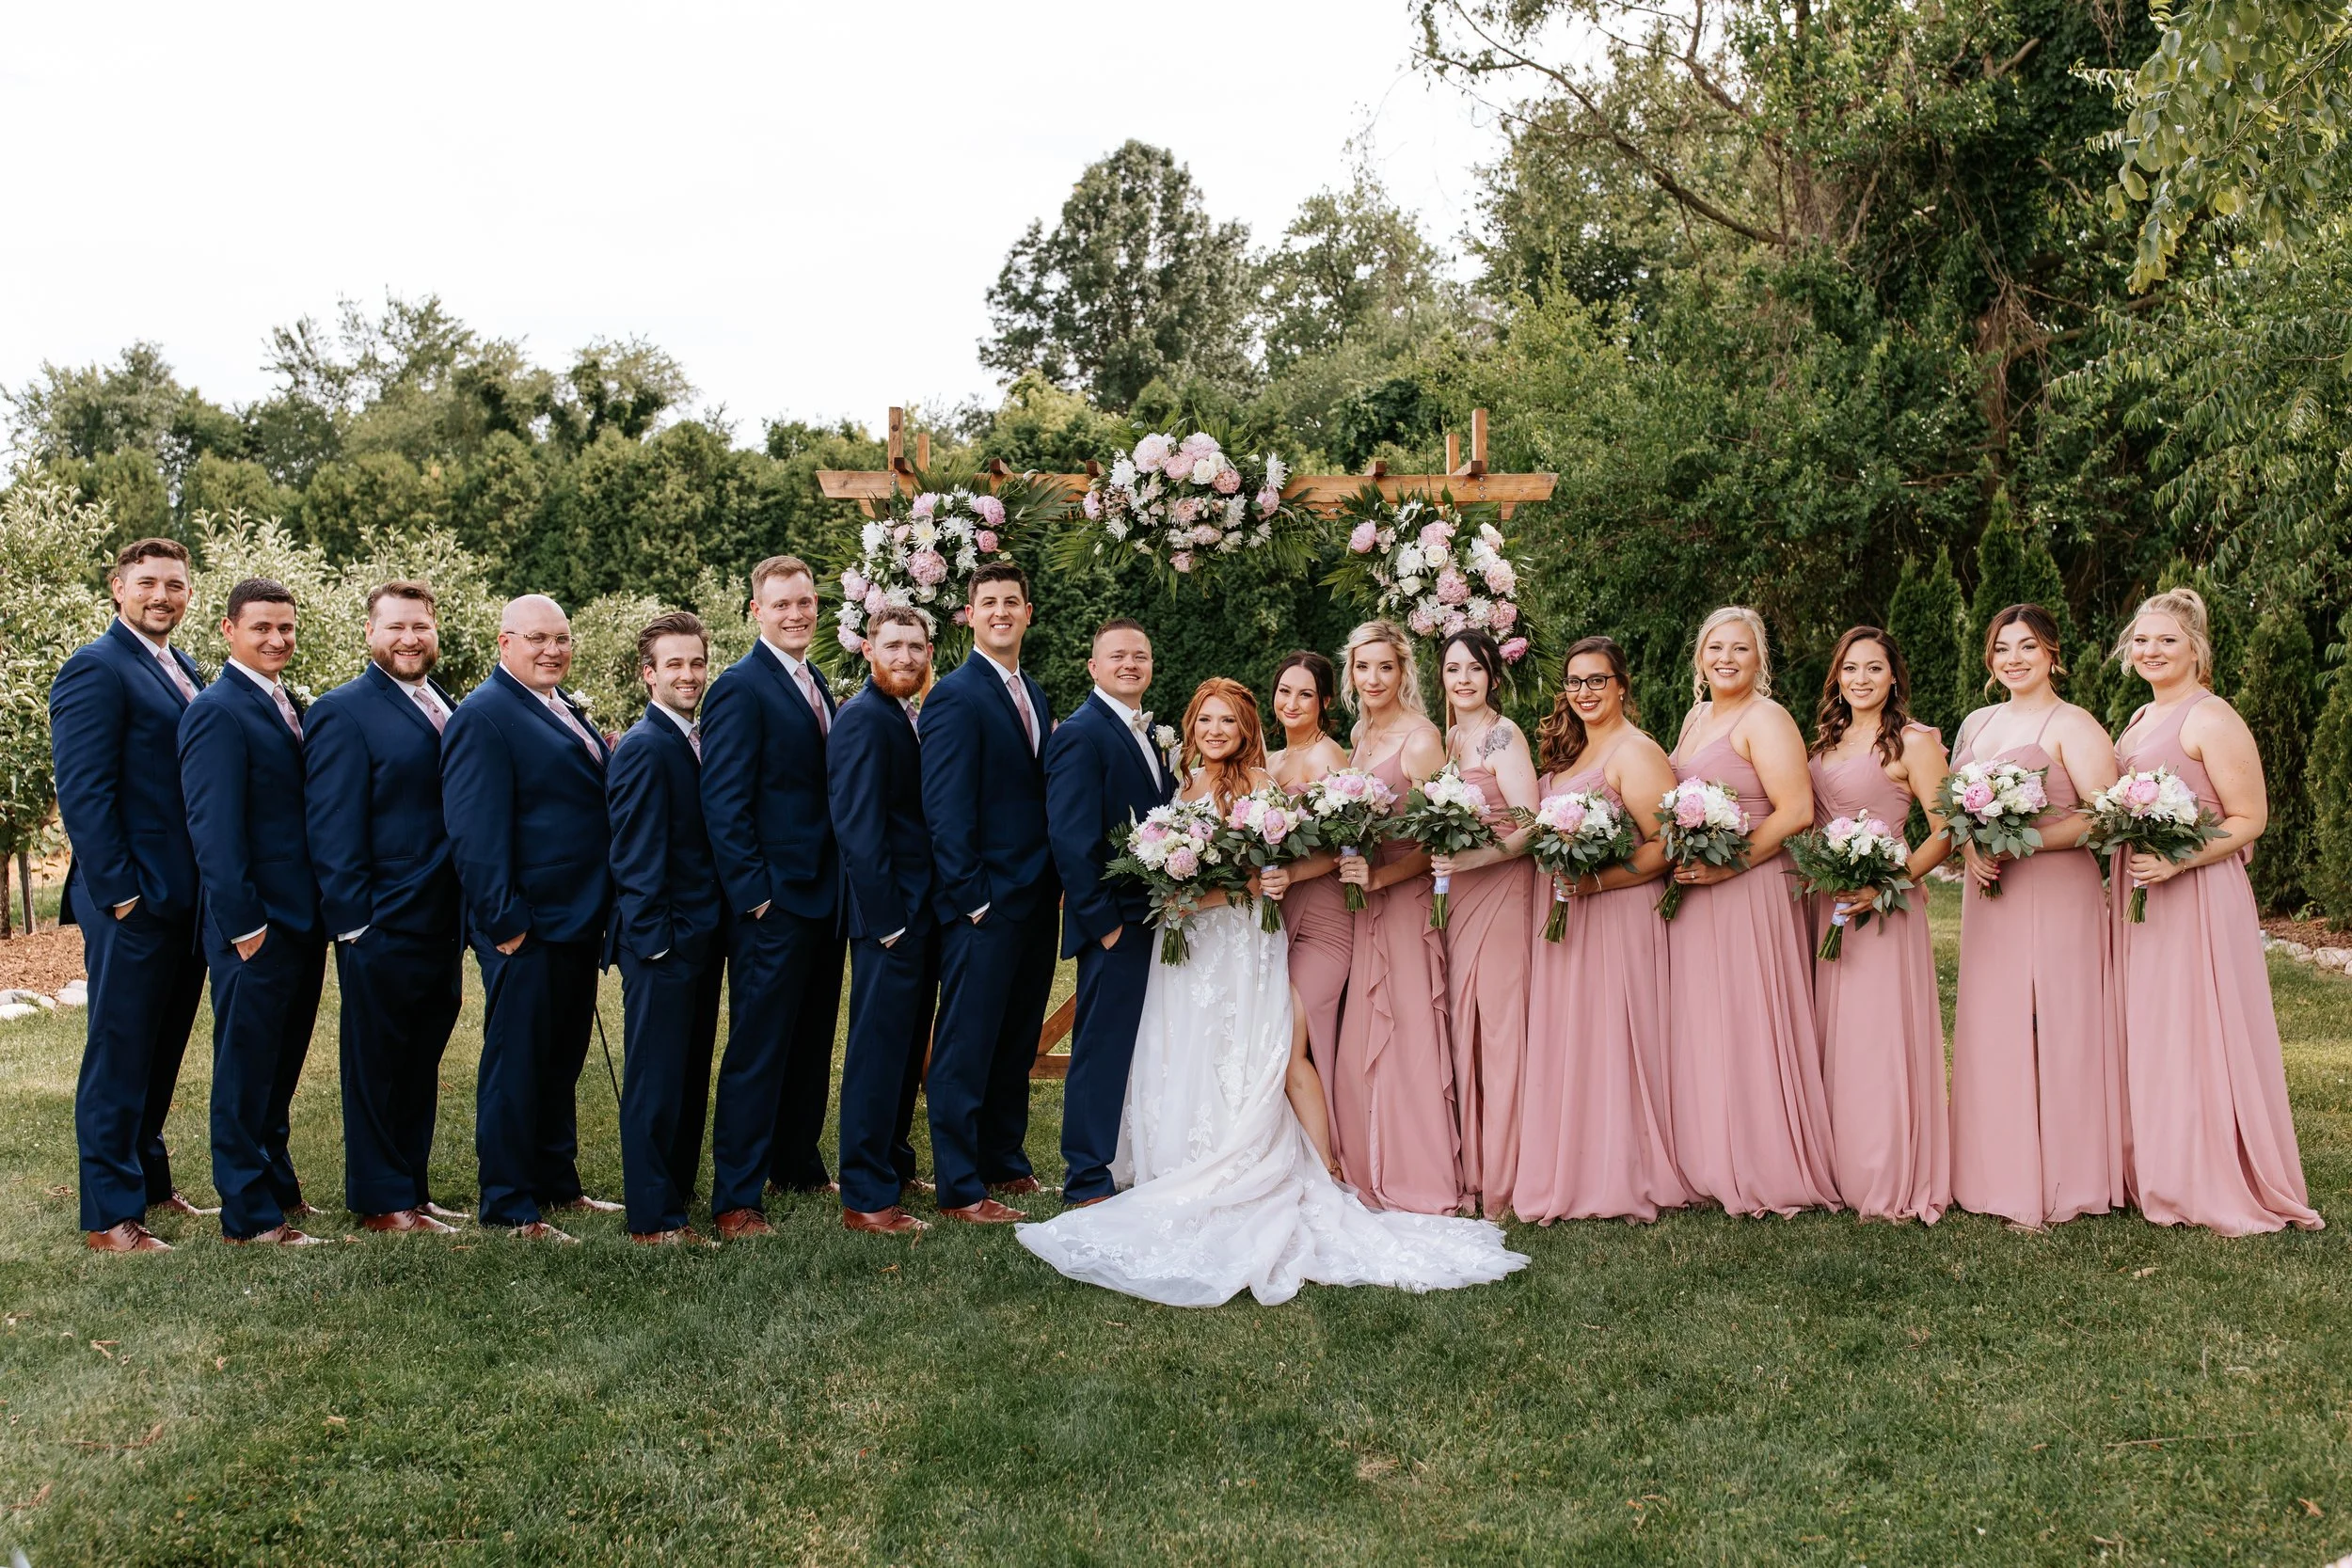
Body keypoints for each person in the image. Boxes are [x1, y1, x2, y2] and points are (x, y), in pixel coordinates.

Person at [1016, 677, 1528, 1307]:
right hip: (1192, 944)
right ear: (1191, 725)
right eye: (1205, 719)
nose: (1215, 730)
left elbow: (1269, 873)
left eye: (1227, 720)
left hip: (1242, 938)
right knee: (1186, 1047)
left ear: (1244, 727)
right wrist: (1176, 886)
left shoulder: (1261, 788)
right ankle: (1178, 1162)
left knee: (1261, 1050)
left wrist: (1226, 889)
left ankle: (1305, 1170)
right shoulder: (1178, 790)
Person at [2109, 589, 2321, 1234]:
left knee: (2197, 1026)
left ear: (2197, 648)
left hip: (2195, 890)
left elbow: (2250, 817)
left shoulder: (2210, 716)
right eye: (2142, 640)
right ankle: (2160, 1168)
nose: (2151, 650)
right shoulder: (2143, 715)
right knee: (2154, 1027)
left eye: (2167, 640)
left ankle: (2209, 1176)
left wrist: (2179, 859)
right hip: (2142, 888)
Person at [49, 538, 215, 1252]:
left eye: (175, 585)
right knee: (119, 1051)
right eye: (148, 583)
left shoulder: (185, 667)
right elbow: (83, 793)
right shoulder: (95, 667)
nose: (163, 596)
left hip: (186, 896)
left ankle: (148, 1181)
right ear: (118, 589)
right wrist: (119, 894)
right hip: (131, 896)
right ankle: (109, 1214)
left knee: (161, 1045)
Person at [441, 594, 617, 1243]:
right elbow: (473, 830)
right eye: (538, 638)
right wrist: (505, 921)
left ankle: (556, 1180)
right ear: (504, 642)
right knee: (517, 1063)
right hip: (527, 925)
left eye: (561, 638)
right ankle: (510, 1200)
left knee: (559, 1057)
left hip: (573, 919)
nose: (552, 650)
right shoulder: (484, 716)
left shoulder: (557, 704)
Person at [1947, 604, 2124, 1230]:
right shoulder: (1976, 722)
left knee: (2056, 1021)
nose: (2013, 659)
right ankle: (1992, 1172)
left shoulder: (2074, 724)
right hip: (1991, 894)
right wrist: (1972, 847)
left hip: (2055, 889)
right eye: (2002, 648)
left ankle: (2063, 1179)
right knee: (1995, 1023)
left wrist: (2021, 843)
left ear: (2053, 653)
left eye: (2027, 647)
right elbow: (1955, 811)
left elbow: (2105, 816)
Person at [1664, 606, 1840, 1215]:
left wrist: (1728, 863)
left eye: (1740, 649)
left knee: (1749, 1016)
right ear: (1700, 656)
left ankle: (1764, 1160)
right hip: (1698, 890)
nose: (1726, 659)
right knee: (1706, 1021)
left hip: (1751, 885)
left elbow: (1793, 811)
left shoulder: (1768, 719)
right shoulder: (1694, 718)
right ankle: (1710, 1155)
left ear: (1759, 658)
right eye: (1716, 648)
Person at [302, 580, 465, 1234]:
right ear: (370, 633)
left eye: (420, 625)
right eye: (396, 626)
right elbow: (331, 823)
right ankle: (379, 1199)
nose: (409, 638)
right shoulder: (343, 711)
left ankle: (412, 1186)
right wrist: (355, 921)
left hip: (440, 919)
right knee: (376, 1064)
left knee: (419, 1059)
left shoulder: (442, 702)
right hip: (381, 922)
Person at [1514, 636, 1690, 1224]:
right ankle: (1581, 1156)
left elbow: (1666, 845)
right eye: (1575, 682)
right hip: (1570, 911)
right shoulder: (1573, 755)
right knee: (1578, 1035)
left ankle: (1623, 1166)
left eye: (1597, 681)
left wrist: (1597, 882)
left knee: (1616, 1035)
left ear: (1621, 685)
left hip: (1616, 914)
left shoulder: (1636, 752)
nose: (1584, 692)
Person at [179, 578, 328, 1246]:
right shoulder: (218, 709)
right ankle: (248, 1213)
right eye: (262, 627)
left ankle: (279, 1187)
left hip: (299, 918)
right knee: (244, 1071)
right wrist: (245, 926)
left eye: (286, 628)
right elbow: (213, 828)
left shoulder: (283, 701)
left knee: (278, 1065)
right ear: (227, 629)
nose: (276, 639)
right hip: (255, 925)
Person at [700, 556, 845, 1239]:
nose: (796, 614)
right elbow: (724, 803)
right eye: (782, 604)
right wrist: (754, 897)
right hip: (773, 904)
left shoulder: (814, 679)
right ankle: (735, 1193)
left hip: (823, 897)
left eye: (806, 602)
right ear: (756, 610)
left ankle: (796, 1161)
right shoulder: (738, 688)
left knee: (811, 1040)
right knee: (758, 1047)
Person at [919, 562, 1060, 1223]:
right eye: (989, 602)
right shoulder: (954, 694)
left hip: (1034, 901)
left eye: (1013, 601)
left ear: (1028, 612)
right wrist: (973, 898)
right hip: (985, 903)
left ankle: (1005, 1159)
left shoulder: (1033, 689)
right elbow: (944, 810)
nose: (1001, 611)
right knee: (966, 1045)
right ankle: (960, 1184)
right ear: (969, 615)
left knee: (1015, 1040)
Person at [1805, 627, 1953, 1224]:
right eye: (1849, 669)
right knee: (1830, 1030)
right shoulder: (1825, 739)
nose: (1860, 679)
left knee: (1876, 1034)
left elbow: (1945, 830)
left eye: (1874, 668)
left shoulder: (1915, 743)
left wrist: (1888, 884)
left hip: (1885, 901)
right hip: (1829, 899)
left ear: (1894, 676)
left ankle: (1884, 1172)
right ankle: (1832, 1165)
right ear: (1836, 677)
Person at [1330, 620, 1463, 1214]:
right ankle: (1363, 1163)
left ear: (1403, 671)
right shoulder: (1358, 735)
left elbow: (1444, 840)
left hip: (1405, 906)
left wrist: (1382, 876)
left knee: (1404, 1031)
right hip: (1364, 905)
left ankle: (1416, 1172)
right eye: (1363, 667)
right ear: (1350, 672)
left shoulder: (1420, 739)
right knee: (1364, 1034)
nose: (1373, 678)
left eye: (1386, 666)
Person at [1043, 618, 1176, 1206]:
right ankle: (1086, 1176)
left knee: (1138, 1044)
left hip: (1153, 919)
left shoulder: (1147, 733)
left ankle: (1131, 1157)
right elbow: (1071, 841)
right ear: (1093, 667)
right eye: (1117, 656)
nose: (1130, 664)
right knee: (1100, 1048)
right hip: (1115, 926)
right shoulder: (1080, 733)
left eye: (1140, 654)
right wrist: (1106, 926)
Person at [605, 612, 725, 1246]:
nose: (688, 674)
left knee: (684, 1074)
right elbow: (633, 855)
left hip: (698, 938)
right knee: (654, 1079)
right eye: (674, 664)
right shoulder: (645, 747)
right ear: (648, 673)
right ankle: (652, 1217)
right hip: (663, 943)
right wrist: (653, 942)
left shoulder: (694, 737)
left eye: (696, 662)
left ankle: (676, 1191)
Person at [829, 607, 941, 1236]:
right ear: (870, 647)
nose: (905, 656)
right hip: (887, 920)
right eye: (894, 645)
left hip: (915, 913)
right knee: (876, 1052)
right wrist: (888, 921)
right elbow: (857, 827)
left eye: (916, 646)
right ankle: (866, 1195)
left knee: (902, 1052)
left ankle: (893, 1165)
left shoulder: (905, 715)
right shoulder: (862, 719)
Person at [1427, 629, 1539, 1221]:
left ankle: (1508, 1177)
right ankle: (1471, 1168)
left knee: (1500, 1028)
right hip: (1457, 894)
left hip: (1497, 888)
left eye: (1475, 668)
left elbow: (1530, 823)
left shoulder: (1503, 734)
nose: (1463, 679)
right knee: (1462, 1026)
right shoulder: (1448, 738)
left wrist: (1475, 858)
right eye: (1452, 669)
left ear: (1493, 676)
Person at [1259, 651, 1351, 1174]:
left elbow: (1349, 845)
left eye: (1305, 694)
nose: (1291, 703)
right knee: (1272, 1036)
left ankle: (1328, 1168)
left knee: (1290, 1039)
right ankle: (1286, 1156)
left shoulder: (1328, 759)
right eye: (1284, 691)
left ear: (1325, 703)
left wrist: (1293, 874)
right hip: (1279, 918)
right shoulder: (1270, 763)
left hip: (1326, 921)